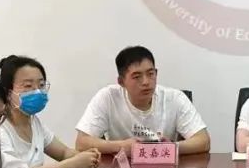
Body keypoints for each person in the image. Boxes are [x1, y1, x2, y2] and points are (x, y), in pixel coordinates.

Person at [75, 46, 210, 155]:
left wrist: (171, 148)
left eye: (150, 74)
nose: (146, 82)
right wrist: (121, 146)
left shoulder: (175, 98)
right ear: (121, 82)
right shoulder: (108, 97)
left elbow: (203, 141)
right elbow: (81, 143)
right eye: (137, 76)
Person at [0, 55, 101, 168]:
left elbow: (63, 152)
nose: (37, 91)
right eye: (28, 86)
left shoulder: (34, 122)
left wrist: (86, 156)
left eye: (41, 85)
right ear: (8, 93)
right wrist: (73, 163)